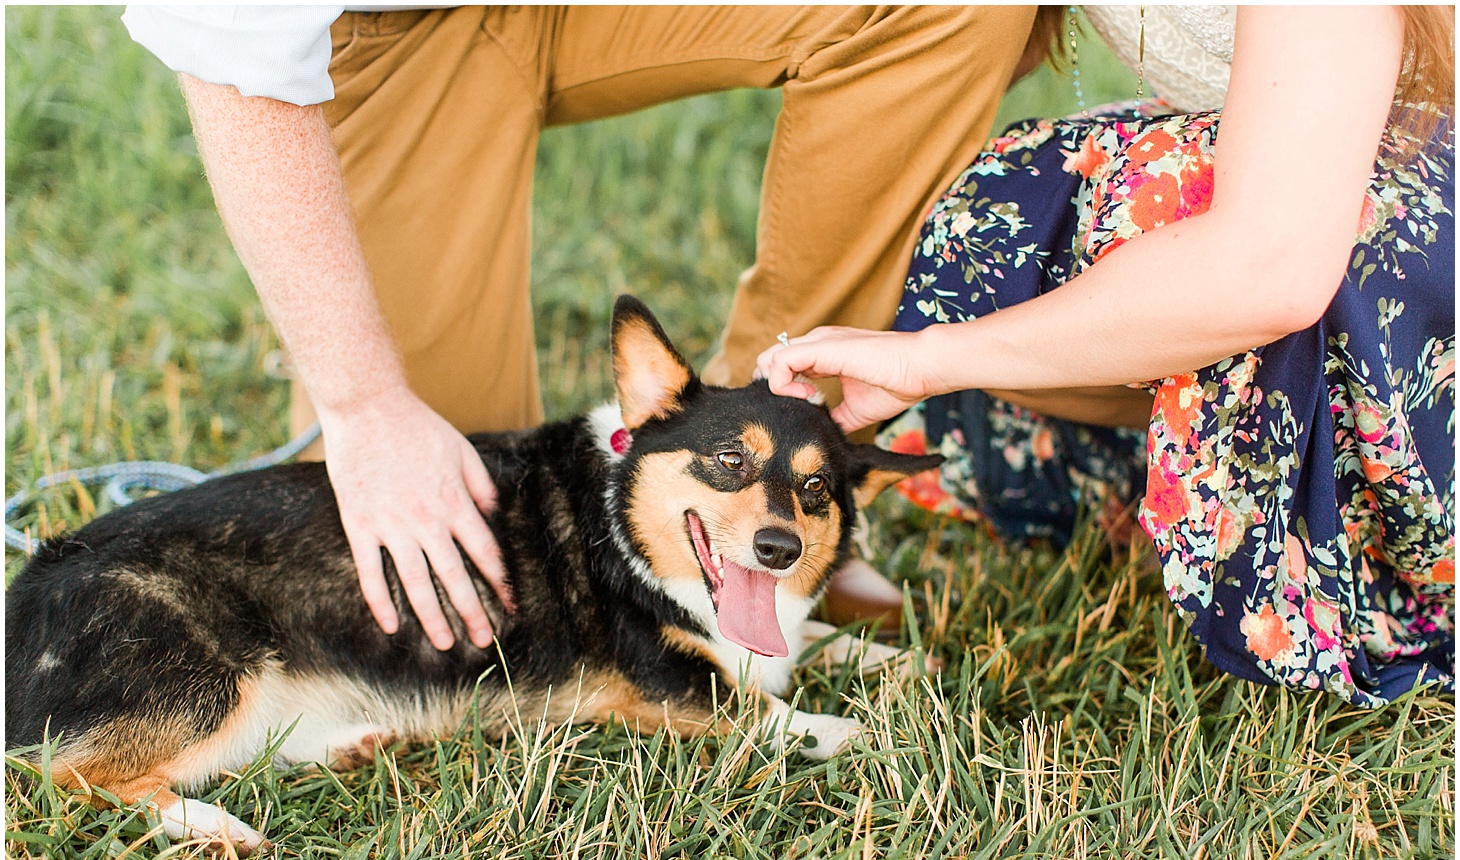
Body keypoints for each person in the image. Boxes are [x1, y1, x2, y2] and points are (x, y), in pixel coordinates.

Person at [120, 5, 1038, 652]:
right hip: (382, 36)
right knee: (453, 573)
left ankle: (749, 494)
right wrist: (367, 407)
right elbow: (224, 35)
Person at [758, 6, 1455, 707]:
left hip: (1397, 214)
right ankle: (1189, 476)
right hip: (1291, 156)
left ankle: (1373, 545)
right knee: (985, 225)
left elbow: (1270, 263)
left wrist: (928, 360)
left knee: (1160, 199)